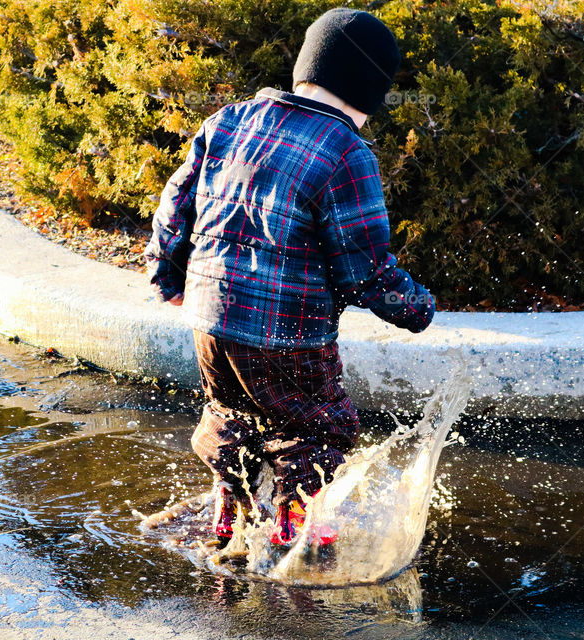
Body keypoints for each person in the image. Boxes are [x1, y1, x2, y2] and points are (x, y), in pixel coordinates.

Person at [143, 8, 435, 547]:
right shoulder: (346, 152)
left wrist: (168, 277)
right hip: (289, 334)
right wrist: (413, 307)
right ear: (368, 90)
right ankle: (292, 539)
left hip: (210, 319)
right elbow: (362, 268)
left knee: (230, 414)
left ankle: (227, 517)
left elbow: (173, 208)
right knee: (316, 430)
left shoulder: (227, 121)